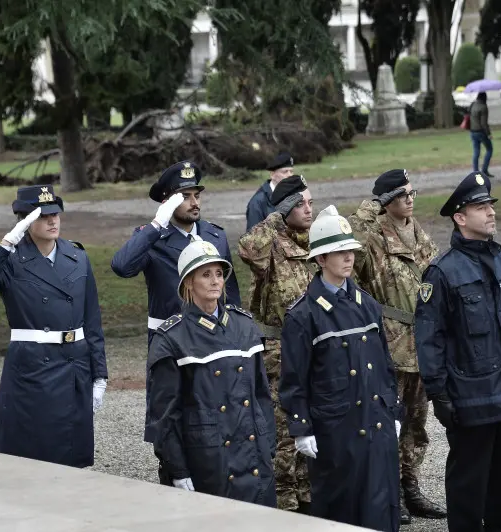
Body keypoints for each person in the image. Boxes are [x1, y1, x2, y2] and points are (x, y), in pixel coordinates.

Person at [414, 172, 501, 532]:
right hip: (471, 397)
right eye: (481, 208)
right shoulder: (442, 272)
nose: (491, 213)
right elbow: (429, 338)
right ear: (460, 218)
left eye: (490, 206)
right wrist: (439, 394)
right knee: (468, 483)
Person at [279, 205, 403, 532]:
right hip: (337, 432)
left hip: (376, 424)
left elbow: (384, 367)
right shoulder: (303, 316)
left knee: (382, 506)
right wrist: (302, 427)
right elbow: (294, 381)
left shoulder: (367, 305)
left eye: (349, 249)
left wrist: (394, 411)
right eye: (338, 251)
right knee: (343, 509)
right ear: (320, 259)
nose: (347, 257)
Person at [0, 184, 107, 468]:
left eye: (55, 213)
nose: (52, 220)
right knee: (31, 455)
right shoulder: (11, 259)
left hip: (73, 364)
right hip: (32, 368)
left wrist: (99, 374)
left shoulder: (77, 256)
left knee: (72, 458)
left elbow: (92, 319)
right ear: (25, 219)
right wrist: (7, 243)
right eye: (42, 215)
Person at [110, 160, 241, 446]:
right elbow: (121, 266)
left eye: (197, 195)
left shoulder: (214, 235)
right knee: (173, 420)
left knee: (220, 414)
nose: (194, 203)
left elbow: (230, 294)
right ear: (168, 202)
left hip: (213, 338)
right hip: (172, 342)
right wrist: (157, 224)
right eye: (185, 197)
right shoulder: (152, 238)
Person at [146, 236, 276, 507]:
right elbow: (164, 416)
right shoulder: (172, 337)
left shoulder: (244, 325)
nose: (216, 280)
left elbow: (262, 395)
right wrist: (177, 469)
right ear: (188, 283)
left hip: (253, 457)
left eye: (219, 273)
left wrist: (267, 445)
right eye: (206, 274)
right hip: (208, 461)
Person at [348, 168, 446, 524]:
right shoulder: (372, 237)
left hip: (422, 344)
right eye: (402, 195)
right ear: (386, 202)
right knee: (388, 423)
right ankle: (389, 490)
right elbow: (349, 257)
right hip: (389, 344)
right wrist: (366, 210)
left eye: (411, 192)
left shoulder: (419, 234)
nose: (410, 199)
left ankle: (410, 485)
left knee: (417, 424)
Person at [237, 174, 316, 513]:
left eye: (310, 202)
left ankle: (307, 490)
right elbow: (246, 248)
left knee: (311, 422)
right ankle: (283, 499)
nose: (308, 209)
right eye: (300, 203)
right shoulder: (270, 243)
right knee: (285, 427)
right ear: (285, 208)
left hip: (313, 346)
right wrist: (274, 216)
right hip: (280, 350)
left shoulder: (315, 240)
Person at [245, 152, 295, 232]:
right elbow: (253, 238)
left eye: (291, 171)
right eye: (285, 172)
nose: (290, 175)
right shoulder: (258, 202)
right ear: (272, 175)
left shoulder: (295, 195)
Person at [469, 92, 494, 178]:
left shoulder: (472, 105)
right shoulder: (483, 107)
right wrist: (489, 134)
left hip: (472, 131)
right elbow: (484, 123)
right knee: (489, 149)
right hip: (481, 132)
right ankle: (484, 169)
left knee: (476, 152)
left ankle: (476, 172)